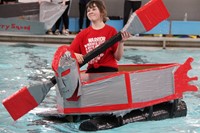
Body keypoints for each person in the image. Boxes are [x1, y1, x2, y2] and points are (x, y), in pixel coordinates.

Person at [70, 0, 131, 73]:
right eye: (88, 10)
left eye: (94, 9)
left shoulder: (111, 31)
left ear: (102, 12)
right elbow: (68, 53)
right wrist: (74, 55)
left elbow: (118, 58)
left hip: (109, 69)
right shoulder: (82, 34)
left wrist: (121, 43)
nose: (90, 12)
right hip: (91, 71)